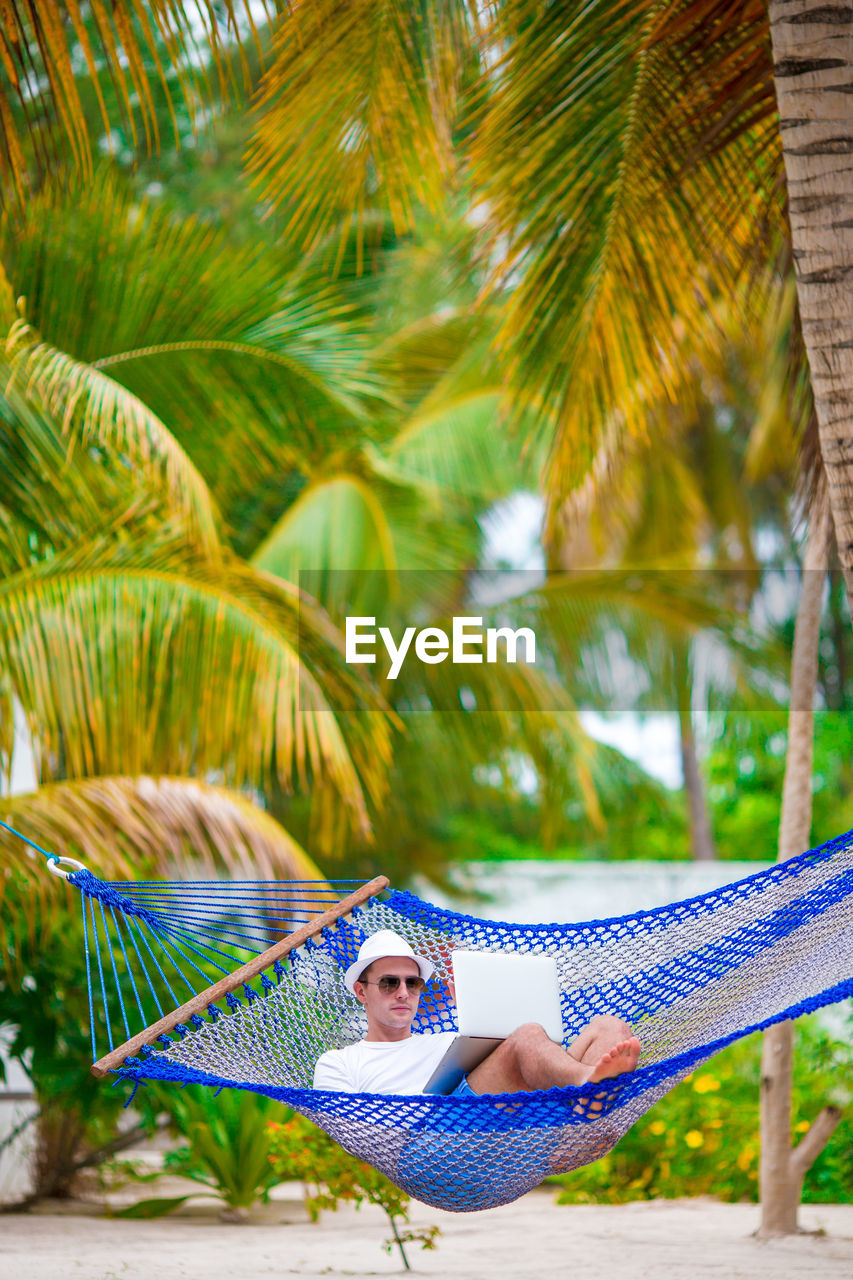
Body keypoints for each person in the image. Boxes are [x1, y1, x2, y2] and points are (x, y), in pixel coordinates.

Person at [313, 929, 640, 1097]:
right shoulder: (340, 1063)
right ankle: (587, 1083)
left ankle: (586, 1106)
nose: (403, 992)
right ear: (361, 991)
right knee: (527, 1036)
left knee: (608, 1027)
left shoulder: (449, 1042)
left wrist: (472, 1006)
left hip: (516, 1113)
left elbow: (512, 1058)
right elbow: (354, 1135)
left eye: (412, 983)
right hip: (441, 1140)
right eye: (388, 983)